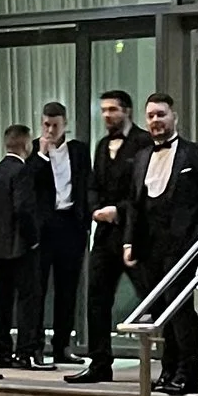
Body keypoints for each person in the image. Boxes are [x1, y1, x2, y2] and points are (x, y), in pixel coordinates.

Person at [124, 92, 198, 396]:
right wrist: (129, 241)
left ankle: (188, 373)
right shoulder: (140, 157)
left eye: (161, 114)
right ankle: (167, 370)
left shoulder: (197, 154)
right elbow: (134, 205)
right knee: (161, 309)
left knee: (180, 308)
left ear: (173, 116)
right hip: (149, 245)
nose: (156, 121)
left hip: (183, 244)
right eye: (151, 115)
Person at [83, 89, 144, 379]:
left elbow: (143, 191)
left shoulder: (143, 143)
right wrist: (95, 209)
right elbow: (93, 183)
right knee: (97, 297)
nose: (107, 115)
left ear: (127, 111)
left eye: (113, 110)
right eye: (104, 110)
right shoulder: (101, 145)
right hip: (105, 235)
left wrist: (118, 211)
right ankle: (99, 363)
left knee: (151, 296)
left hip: (136, 233)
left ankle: (170, 363)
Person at [0, 122, 51, 371]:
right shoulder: (22, 172)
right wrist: (33, 239)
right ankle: (25, 352)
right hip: (22, 246)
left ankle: (2, 352)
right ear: (25, 144)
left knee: (3, 299)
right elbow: (23, 209)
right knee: (28, 299)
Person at [31, 101, 91, 370]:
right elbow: (26, 184)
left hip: (71, 223)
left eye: (55, 125)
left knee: (68, 289)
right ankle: (34, 346)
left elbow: (87, 185)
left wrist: (86, 222)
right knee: (38, 288)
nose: (50, 129)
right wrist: (42, 155)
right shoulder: (33, 149)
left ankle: (62, 346)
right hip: (44, 227)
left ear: (65, 124)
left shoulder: (79, 151)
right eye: (46, 124)